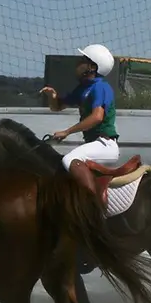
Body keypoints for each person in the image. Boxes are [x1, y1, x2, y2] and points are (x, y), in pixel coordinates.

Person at [39, 43, 120, 197]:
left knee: (70, 159)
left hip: (105, 144)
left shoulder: (100, 87)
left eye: (83, 60)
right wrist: (53, 97)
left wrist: (67, 132)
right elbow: (57, 107)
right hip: (94, 144)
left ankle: (89, 204)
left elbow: (97, 117)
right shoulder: (83, 88)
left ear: (93, 67)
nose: (78, 63)